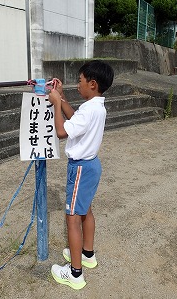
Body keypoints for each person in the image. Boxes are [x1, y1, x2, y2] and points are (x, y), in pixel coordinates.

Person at [48, 60, 114, 290]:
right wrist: (62, 97)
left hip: (80, 169)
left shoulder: (90, 109)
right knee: (86, 210)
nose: (78, 85)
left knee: (72, 218)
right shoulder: (95, 107)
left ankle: (75, 274)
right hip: (92, 165)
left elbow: (61, 131)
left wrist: (56, 103)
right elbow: (75, 117)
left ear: (92, 84)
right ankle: (87, 253)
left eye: (80, 81)